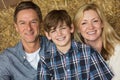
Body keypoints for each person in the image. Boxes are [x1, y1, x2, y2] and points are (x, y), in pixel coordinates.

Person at [37, 9, 113, 80]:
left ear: (71, 28)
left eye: (63, 28)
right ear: (48, 35)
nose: (59, 34)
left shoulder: (88, 52)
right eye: (53, 31)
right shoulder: (45, 60)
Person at [0, 1, 50, 80]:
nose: (29, 28)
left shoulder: (56, 47)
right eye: (23, 23)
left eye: (33, 22)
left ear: (40, 24)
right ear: (16, 27)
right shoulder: (7, 58)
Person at [73, 3, 120, 80]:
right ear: (78, 29)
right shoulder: (75, 54)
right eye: (84, 23)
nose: (91, 27)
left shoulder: (118, 50)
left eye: (95, 21)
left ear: (102, 24)